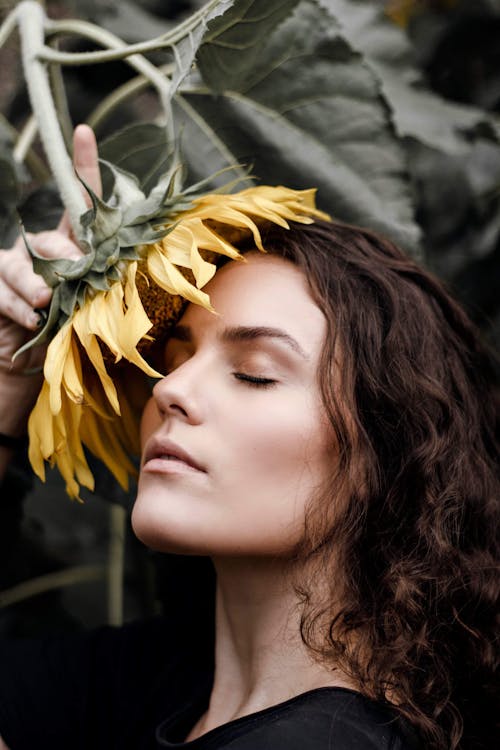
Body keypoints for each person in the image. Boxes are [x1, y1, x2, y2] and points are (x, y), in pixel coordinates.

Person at [0, 126, 498, 750]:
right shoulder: (161, 687)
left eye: (254, 374)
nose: (169, 390)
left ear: (386, 455)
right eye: (171, 359)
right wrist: (7, 374)